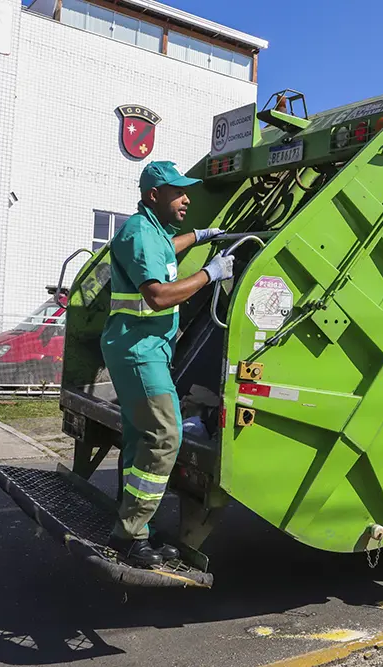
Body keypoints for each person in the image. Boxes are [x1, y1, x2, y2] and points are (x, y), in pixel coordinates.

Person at [101, 160, 234, 567]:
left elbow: (167, 248)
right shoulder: (141, 232)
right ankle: (130, 535)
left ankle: (133, 521)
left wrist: (203, 236)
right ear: (153, 196)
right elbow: (157, 296)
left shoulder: (151, 231)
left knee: (140, 436)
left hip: (141, 349)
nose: (186, 197)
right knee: (165, 436)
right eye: (177, 192)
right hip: (139, 351)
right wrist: (211, 274)